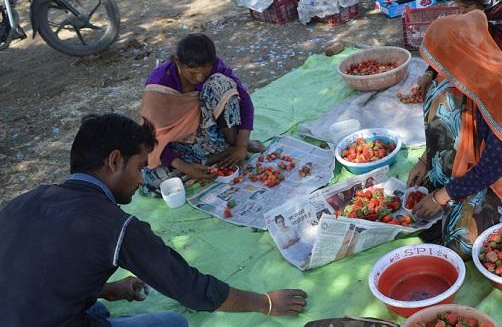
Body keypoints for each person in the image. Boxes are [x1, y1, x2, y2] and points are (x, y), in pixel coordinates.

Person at [0, 114, 307, 326]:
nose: (141, 179)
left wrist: (107, 289)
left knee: (98, 307)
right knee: (174, 322)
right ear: (115, 161)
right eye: (139, 168)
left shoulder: (26, 201)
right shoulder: (116, 226)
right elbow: (190, 289)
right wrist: (265, 302)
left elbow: (34, 273)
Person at [408, 10, 502, 256]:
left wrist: (440, 197)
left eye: (443, 57)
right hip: (477, 160)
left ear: (462, 52)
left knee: (462, 242)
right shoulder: (468, 71)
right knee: (439, 92)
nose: (440, 65)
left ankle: (458, 194)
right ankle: (450, 181)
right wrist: (425, 160)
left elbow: (495, 165)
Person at [140, 33, 264, 191]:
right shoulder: (159, 85)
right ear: (178, 61)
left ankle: (232, 145)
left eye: (204, 73)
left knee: (222, 84)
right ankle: (217, 155)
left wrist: (241, 144)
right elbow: (150, 137)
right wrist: (186, 168)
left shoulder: (217, 67)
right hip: (177, 141)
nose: (199, 78)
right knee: (155, 181)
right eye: (192, 73)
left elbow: (244, 100)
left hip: (207, 128)